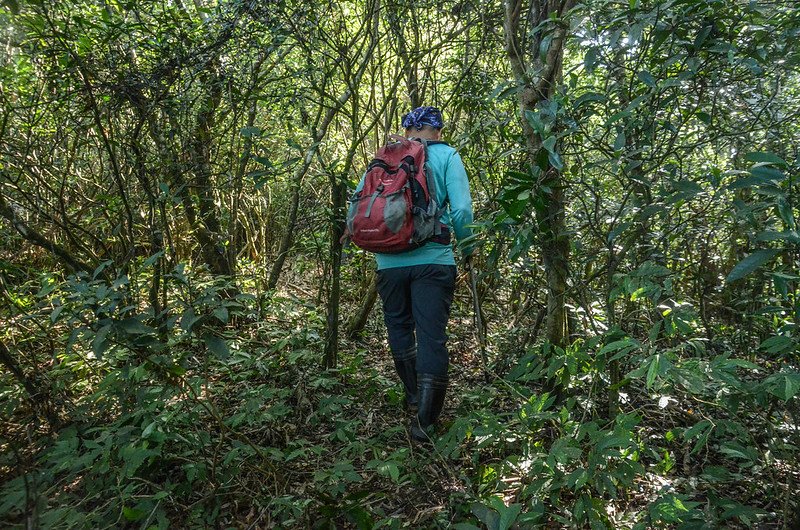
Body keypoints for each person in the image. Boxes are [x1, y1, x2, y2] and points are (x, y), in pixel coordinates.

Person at [355, 106, 474, 442]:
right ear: (437, 130)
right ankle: (424, 421)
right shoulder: (447, 155)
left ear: (407, 130)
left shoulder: (386, 156)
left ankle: (412, 395)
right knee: (432, 337)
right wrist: (468, 248)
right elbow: (462, 210)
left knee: (399, 330)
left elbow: (363, 203)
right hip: (434, 261)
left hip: (388, 263)